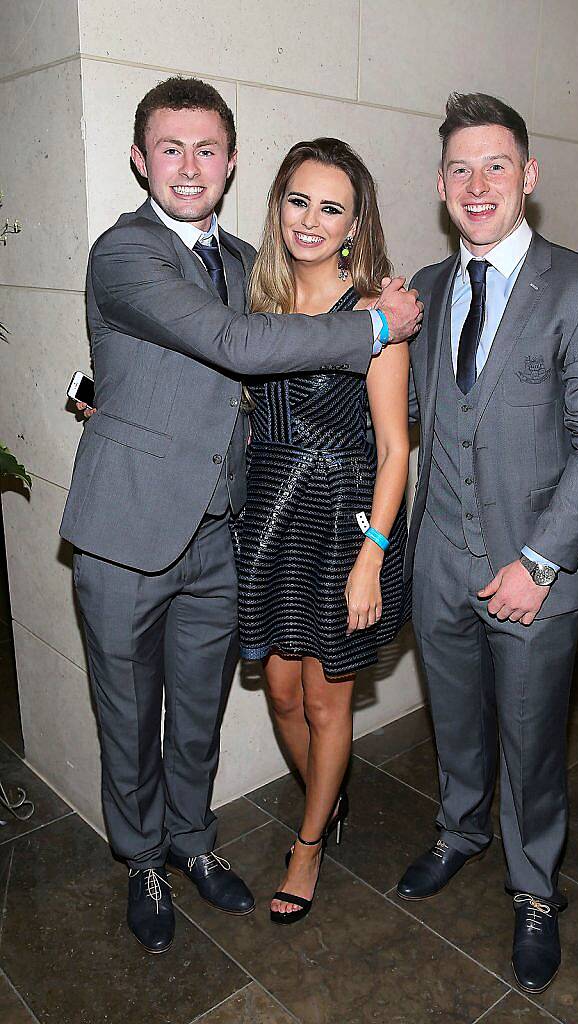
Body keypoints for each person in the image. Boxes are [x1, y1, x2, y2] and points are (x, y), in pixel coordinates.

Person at [59, 76, 421, 956]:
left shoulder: (246, 265)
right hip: (127, 535)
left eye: (208, 149)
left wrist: (103, 398)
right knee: (128, 710)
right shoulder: (125, 251)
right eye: (170, 148)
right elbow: (231, 346)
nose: (190, 165)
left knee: (199, 713)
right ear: (140, 159)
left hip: (232, 535)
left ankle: (192, 841)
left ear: (229, 165)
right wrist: (375, 326)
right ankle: (143, 859)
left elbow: (247, 388)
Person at [396, 93, 578, 994]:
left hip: (535, 570)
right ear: (441, 185)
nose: (477, 183)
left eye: (497, 164)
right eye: (460, 168)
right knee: (454, 725)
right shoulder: (423, 289)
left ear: (528, 177)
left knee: (532, 741)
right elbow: (406, 415)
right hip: (440, 564)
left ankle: (534, 889)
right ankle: (459, 830)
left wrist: (538, 563)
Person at [235, 139, 411, 923]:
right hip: (270, 515)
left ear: (353, 224)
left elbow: (395, 447)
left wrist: (371, 559)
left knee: (325, 700)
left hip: (343, 519)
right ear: (278, 206)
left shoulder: (376, 312)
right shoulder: (257, 302)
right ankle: (326, 796)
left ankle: (308, 846)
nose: (311, 219)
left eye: (330, 207)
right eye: (298, 200)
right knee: (279, 691)